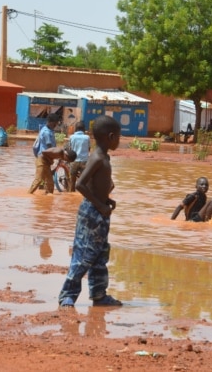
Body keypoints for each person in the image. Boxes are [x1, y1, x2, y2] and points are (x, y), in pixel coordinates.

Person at [58, 115, 123, 308]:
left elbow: (96, 186)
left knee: (100, 255)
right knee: (83, 255)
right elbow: (80, 184)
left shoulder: (104, 157)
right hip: (91, 213)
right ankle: (67, 295)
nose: (119, 141)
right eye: (118, 137)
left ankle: (99, 294)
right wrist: (99, 205)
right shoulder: (96, 158)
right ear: (110, 137)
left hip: (101, 213)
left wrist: (107, 201)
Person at [27, 113, 60, 194]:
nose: (56, 125)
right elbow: (50, 148)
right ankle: (28, 195)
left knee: (50, 183)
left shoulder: (49, 131)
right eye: (55, 123)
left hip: (46, 160)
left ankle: (47, 200)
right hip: (42, 159)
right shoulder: (46, 132)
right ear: (51, 122)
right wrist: (58, 154)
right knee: (38, 180)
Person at [67, 121, 91, 193]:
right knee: (84, 180)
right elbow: (89, 149)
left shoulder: (72, 137)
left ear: (75, 129)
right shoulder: (87, 137)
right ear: (84, 129)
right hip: (84, 161)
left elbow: (69, 148)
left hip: (74, 161)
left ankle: (72, 193)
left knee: (72, 179)